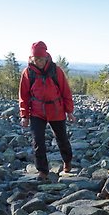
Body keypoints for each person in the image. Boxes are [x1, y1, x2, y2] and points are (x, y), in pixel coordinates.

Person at [18, 41, 76, 179]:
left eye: (41, 59)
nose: (38, 62)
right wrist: (24, 115)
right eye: (35, 59)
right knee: (38, 140)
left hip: (56, 110)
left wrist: (70, 111)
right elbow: (23, 95)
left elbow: (65, 92)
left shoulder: (56, 71)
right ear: (32, 58)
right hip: (37, 112)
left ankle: (67, 161)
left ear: (46, 57)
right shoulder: (28, 73)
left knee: (61, 138)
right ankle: (43, 171)